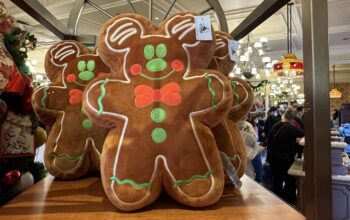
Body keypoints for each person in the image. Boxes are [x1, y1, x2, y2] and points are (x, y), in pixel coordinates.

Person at [267, 109, 304, 205]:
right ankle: (289, 201)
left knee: (277, 181)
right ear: (292, 119)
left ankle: (277, 202)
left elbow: (275, 141)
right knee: (290, 181)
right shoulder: (288, 127)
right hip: (283, 159)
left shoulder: (277, 125)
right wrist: (297, 118)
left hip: (273, 158)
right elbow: (304, 131)